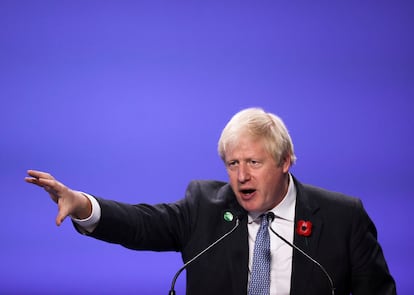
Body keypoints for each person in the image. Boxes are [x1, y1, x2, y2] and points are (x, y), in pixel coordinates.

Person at [25, 107, 396, 295]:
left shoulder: (342, 218)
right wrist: (82, 204)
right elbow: (141, 224)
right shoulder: (206, 207)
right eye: (233, 164)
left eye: (253, 162)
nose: (241, 176)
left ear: (285, 162)